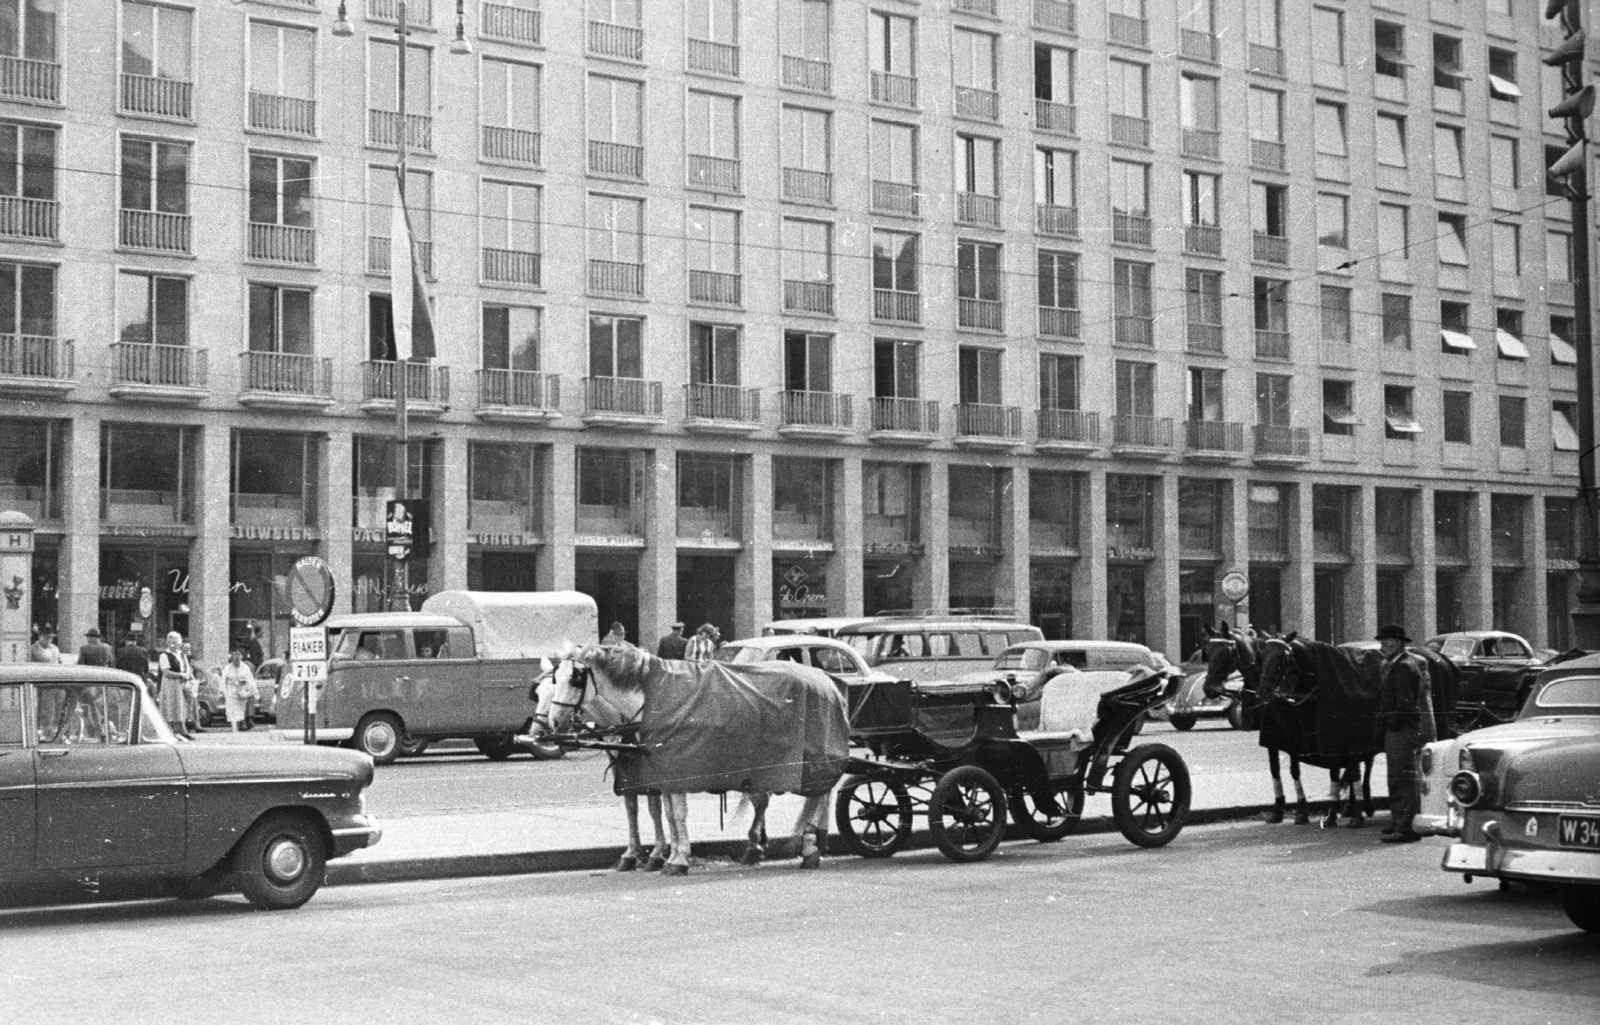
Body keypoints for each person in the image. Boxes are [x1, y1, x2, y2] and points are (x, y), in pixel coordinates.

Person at [1375, 624, 1435, 844]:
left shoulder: (1404, 667)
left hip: (1402, 729)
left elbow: (1405, 704)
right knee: (1399, 777)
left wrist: (1390, 721)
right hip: (1400, 728)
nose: (1383, 645)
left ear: (1399, 643)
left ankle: (1406, 828)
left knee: (1402, 778)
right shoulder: (1396, 664)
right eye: (1382, 642)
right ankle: (1401, 821)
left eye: (1388, 641)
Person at [157, 632, 193, 738]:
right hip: (170, 684)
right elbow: (166, 672)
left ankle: (182, 729)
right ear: (167, 643)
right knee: (170, 707)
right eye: (171, 642)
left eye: (176, 642)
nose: (174, 644)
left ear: (180, 643)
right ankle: (170, 731)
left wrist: (188, 676)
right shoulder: (164, 656)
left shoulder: (182, 655)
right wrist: (181, 674)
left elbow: (187, 669)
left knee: (181, 707)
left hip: (182, 684)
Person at [220, 647, 256, 733]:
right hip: (230, 692)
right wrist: (222, 692)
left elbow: (250, 681)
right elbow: (223, 681)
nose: (236, 659)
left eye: (238, 657)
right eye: (234, 657)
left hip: (241, 693)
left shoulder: (245, 668)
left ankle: (239, 724)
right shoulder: (227, 668)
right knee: (231, 711)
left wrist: (252, 692)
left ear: (241, 658)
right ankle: (234, 729)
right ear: (232, 658)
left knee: (239, 712)